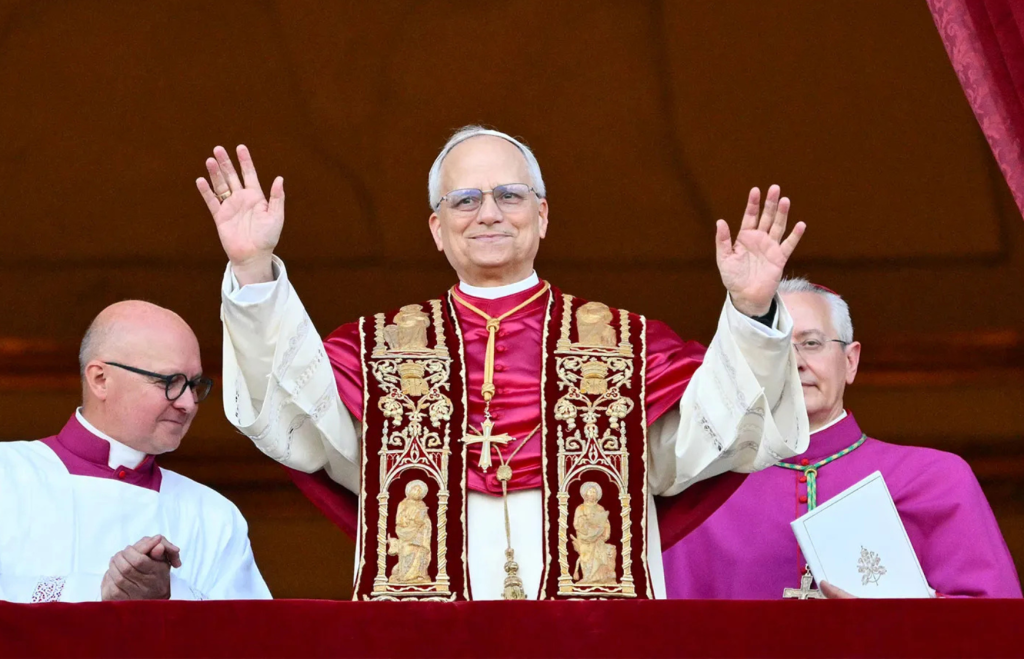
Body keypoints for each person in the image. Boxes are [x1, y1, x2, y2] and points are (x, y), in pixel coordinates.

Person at [196, 125, 810, 601]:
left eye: (510, 195)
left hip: (591, 635)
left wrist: (752, 312)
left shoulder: (626, 344)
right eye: (464, 199)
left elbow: (718, 436)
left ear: (543, 215)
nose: (488, 212)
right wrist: (253, 272)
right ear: (436, 229)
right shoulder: (378, 350)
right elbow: (293, 422)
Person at [663, 278, 1023, 599]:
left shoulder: (935, 477)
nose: (796, 362)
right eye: (777, 349)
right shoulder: (699, 491)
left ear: (850, 361)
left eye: (812, 343)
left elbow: (998, 630)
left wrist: (902, 623)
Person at [0, 301, 271, 602]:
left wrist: (168, 596)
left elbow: (247, 637)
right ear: (100, 379)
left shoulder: (214, 515)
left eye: (193, 385)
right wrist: (99, 591)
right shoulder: (7, 474)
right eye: (170, 382)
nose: (188, 404)